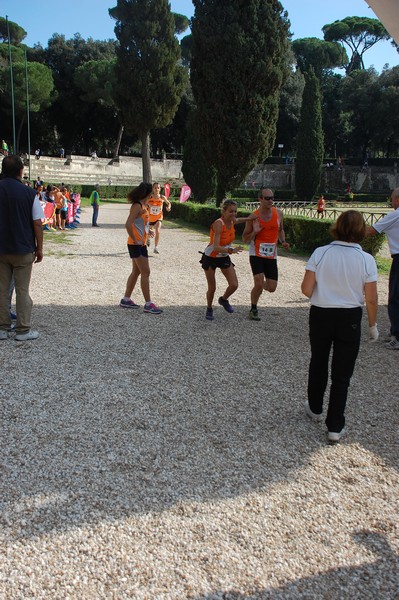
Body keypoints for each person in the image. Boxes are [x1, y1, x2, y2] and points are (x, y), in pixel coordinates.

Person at [301, 210, 378, 443]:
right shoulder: (366, 259)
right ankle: (335, 425)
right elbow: (372, 298)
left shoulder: (321, 253)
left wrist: (326, 289)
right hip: (350, 317)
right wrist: (373, 324)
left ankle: (315, 407)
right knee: (342, 374)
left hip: (321, 313)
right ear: (361, 230)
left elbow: (306, 289)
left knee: (319, 360)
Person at [0, 155, 44, 341]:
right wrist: (39, 248)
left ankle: (2, 328)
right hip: (23, 248)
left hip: (1, 248)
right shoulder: (29, 193)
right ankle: (23, 330)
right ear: (21, 171)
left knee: (1, 290)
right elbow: (37, 223)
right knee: (22, 290)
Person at [242, 188, 289, 321]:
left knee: (271, 287)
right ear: (260, 199)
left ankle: (259, 284)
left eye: (272, 198)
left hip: (271, 254)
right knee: (258, 282)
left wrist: (283, 241)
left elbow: (280, 230)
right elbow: (245, 239)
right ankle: (253, 308)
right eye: (267, 198)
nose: (271, 201)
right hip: (256, 252)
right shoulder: (253, 217)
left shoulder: (278, 213)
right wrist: (255, 232)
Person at [200, 199, 251, 321]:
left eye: (235, 211)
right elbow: (216, 247)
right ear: (224, 211)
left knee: (234, 284)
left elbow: (238, 220)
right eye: (230, 211)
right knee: (212, 287)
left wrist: (252, 218)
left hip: (223, 256)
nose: (233, 214)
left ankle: (223, 300)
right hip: (211, 256)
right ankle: (209, 308)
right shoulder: (219, 224)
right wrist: (230, 250)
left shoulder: (232, 221)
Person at [119, 182, 162, 314]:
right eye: (151, 193)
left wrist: (147, 231)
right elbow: (128, 224)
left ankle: (126, 299)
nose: (152, 195)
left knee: (137, 272)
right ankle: (148, 304)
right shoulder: (137, 206)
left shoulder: (144, 205)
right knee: (146, 272)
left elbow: (139, 224)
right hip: (135, 244)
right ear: (148, 193)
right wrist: (135, 238)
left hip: (140, 243)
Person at [365, 187, 399, 349]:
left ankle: (397, 336)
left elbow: (371, 231)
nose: (391, 202)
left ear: (397, 200)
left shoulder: (395, 214)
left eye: (392, 199)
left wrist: (347, 232)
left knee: (395, 298)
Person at [147, 182, 171, 253]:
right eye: (155, 188)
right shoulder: (149, 197)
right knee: (149, 233)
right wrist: (148, 205)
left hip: (158, 218)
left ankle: (156, 247)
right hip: (150, 218)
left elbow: (169, 203)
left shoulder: (162, 197)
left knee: (157, 230)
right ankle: (148, 239)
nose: (156, 189)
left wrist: (168, 207)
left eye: (158, 188)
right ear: (153, 189)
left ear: (160, 189)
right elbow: (143, 203)